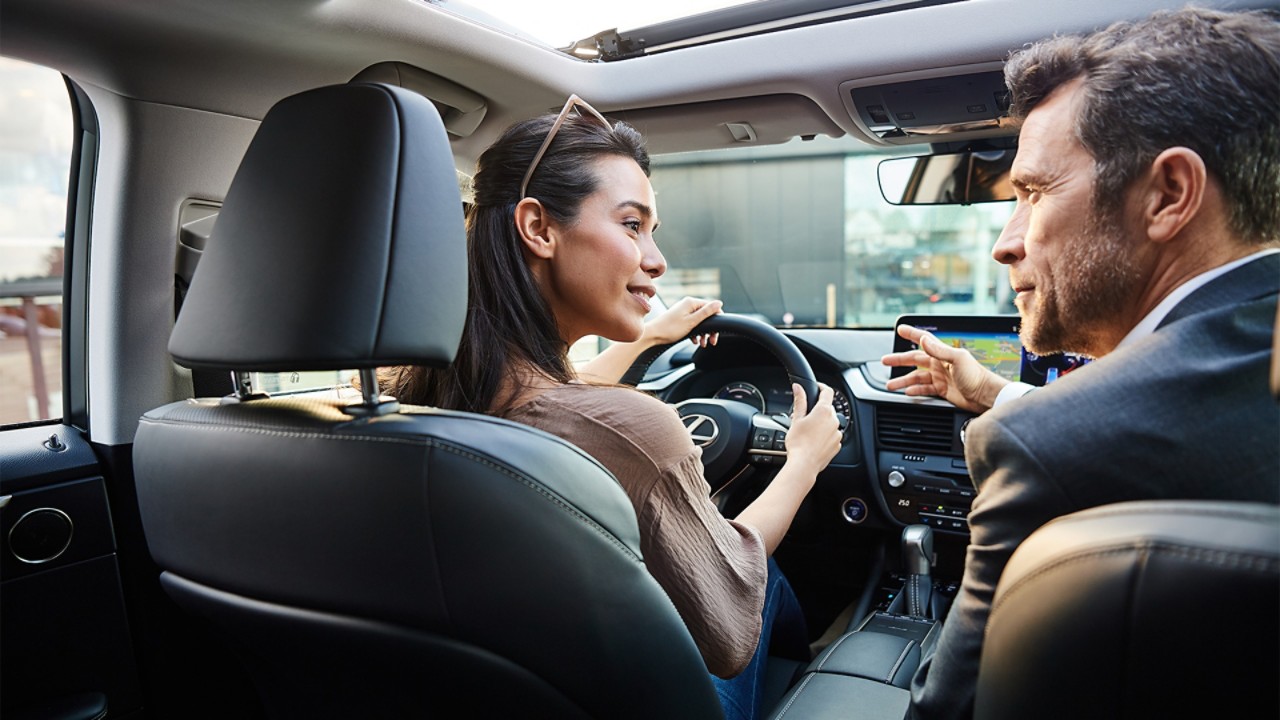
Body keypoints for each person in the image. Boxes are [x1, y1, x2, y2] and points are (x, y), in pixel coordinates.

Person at [379, 95, 843, 720]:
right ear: (539, 228)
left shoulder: (406, 396)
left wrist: (650, 337)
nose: (657, 259)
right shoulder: (635, 430)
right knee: (768, 577)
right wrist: (802, 464)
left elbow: (558, 400)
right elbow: (729, 622)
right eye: (632, 225)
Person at [879, 8, 1280, 720]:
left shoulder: (1048, 449)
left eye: (1032, 192)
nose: (1006, 244)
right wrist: (1001, 395)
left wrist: (1024, 427)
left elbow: (948, 711)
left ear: (1169, 195)